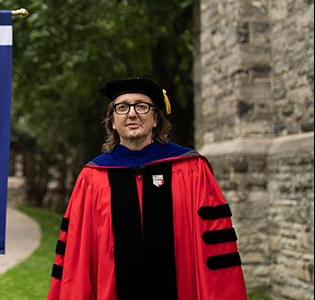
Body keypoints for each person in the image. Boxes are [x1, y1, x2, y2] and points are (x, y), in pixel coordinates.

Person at [47, 77, 247, 300]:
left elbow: (216, 248)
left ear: (155, 120)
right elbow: (76, 252)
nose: (132, 114)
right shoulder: (92, 178)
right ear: (113, 121)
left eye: (142, 106)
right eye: (122, 107)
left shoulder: (192, 169)